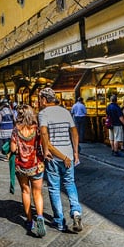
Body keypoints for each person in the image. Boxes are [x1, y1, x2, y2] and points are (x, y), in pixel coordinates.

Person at [38, 87, 83, 233]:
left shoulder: (43, 113)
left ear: (44, 100)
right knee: (70, 183)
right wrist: (75, 153)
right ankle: (76, 212)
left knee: (54, 188)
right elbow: (74, 132)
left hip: (53, 156)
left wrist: (46, 150)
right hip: (69, 155)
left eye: (40, 99)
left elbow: (44, 133)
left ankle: (59, 221)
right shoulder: (65, 111)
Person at [10, 104, 46, 237]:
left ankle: (29, 220)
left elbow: (13, 149)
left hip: (21, 166)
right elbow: (42, 145)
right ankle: (40, 216)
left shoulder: (16, 130)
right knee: (37, 193)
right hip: (36, 165)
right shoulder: (36, 129)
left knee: (26, 191)